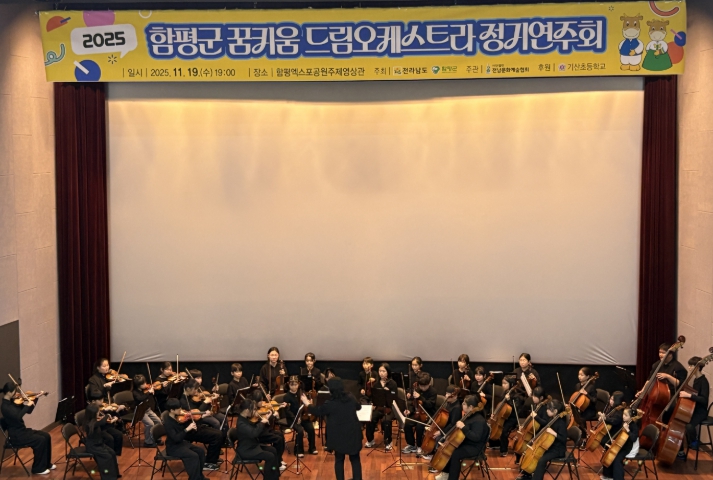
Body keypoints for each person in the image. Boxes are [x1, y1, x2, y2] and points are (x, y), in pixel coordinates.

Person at [302, 378, 363, 480]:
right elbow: (359, 407)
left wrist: (307, 403)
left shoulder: (330, 403)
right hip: (353, 434)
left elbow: (318, 411)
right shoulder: (350, 397)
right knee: (355, 459)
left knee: (339, 460)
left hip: (339, 436)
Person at [1, 381, 54, 475]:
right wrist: (27, 406)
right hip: (16, 436)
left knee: (46, 435)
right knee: (40, 440)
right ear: (9, 392)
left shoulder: (13, 401)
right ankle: (38, 468)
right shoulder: (5, 407)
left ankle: (46, 464)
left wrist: (35, 398)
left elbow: (28, 411)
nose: (16, 394)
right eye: (14, 392)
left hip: (22, 431)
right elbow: (18, 416)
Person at [433, 394, 488, 480]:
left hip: (475, 447)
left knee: (455, 454)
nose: (462, 404)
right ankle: (446, 474)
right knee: (450, 449)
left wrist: (463, 427)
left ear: (470, 407)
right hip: (467, 442)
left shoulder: (478, 420)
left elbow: (476, 437)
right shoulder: (469, 415)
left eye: (464, 404)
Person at [516, 399, 567, 480]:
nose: (547, 411)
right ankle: (527, 475)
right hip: (549, 445)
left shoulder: (561, 423)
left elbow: (563, 439)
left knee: (541, 460)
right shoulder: (552, 419)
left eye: (549, 409)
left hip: (557, 449)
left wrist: (554, 433)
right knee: (530, 452)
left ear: (555, 411)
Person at [636, 342, 687, 422]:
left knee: (668, 409)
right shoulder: (656, 365)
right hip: (656, 393)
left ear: (670, 354)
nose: (660, 355)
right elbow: (649, 380)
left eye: (663, 353)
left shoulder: (678, 367)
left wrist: (668, 376)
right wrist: (643, 391)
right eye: (660, 352)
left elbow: (680, 384)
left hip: (671, 396)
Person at [235, 399, 281, 480]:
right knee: (270, 456)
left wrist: (266, 418)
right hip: (246, 450)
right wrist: (262, 423)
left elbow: (255, 428)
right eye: (253, 409)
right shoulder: (241, 423)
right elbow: (254, 433)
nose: (255, 411)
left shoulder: (245, 418)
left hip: (252, 445)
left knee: (273, 450)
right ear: (247, 410)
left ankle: (275, 476)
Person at [163, 398, 208, 480]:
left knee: (201, 452)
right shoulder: (168, 423)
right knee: (193, 456)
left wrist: (192, 426)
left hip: (181, 444)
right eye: (178, 409)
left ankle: (199, 477)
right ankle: (194, 478)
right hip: (173, 447)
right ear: (172, 410)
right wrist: (187, 429)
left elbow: (182, 431)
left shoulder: (177, 418)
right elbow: (176, 438)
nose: (181, 410)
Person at [677, 356, 710, 457]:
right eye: (689, 365)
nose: (689, 367)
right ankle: (682, 448)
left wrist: (689, 395)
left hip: (701, 411)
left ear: (698, 367)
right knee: (682, 422)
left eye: (691, 365)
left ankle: (694, 442)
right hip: (694, 408)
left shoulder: (703, 381)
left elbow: (704, 400)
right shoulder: (696, 380)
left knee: (689, 426)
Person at [489, 375, 525, 457]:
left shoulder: (517, 395)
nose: (503, 385)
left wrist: (509, 400)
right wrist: (494, 414)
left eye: (505, 383)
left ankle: (504, 449)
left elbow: (515, 408)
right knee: (491, 426)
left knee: (504, 431)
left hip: (512, 418)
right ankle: (495, 444)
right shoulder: (505, 393)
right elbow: (500, 405)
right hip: (503, 416)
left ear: (511, 384)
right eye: (502, 383)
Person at [82, 404, 120, 480]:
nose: (98, 413)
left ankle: (115, 475)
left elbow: (102, 424)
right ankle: (108, 478)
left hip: (99, 444)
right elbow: (101, 423)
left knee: (112, 453)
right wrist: (107, 415)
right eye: (97, 412)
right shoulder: (90, 424)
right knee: (107, 457)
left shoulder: (93, 421)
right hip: (93, 446)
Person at [403, 372, 437, 455]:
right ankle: (411, 444)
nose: (422, 388)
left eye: (424, 386)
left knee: (419, 426)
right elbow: (413, 403)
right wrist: (409, 410)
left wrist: (420, 397)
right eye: (421, 386)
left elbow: (429, 405)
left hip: (428, 414)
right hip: (418, 412)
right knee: (407, 423)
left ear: (429, 383)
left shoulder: (433, 391)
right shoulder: (418, 389)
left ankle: (419, 445)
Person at [600, 408, 639, 480]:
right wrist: (615, 440)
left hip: (627, 447)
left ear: (631, 417)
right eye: (623, 414)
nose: (623, 416)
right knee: (609, 453)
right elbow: (620, 435)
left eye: (626, 415)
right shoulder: (624, 422)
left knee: (617, 459)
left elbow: (634, 439)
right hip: (620, 444)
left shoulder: (634, 426)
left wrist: (628, 430)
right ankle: (608, 475)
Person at [365, 363, 397, 451]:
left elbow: (395, 397)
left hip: (389, 408)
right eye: (380, 371)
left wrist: (389, 392)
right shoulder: (376, 383)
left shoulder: (392, 383)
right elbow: (373, 397)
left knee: (386, 420)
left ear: (388, 372)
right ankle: (370, 440)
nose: (381, 373)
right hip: (379, 408)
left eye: (383, 371)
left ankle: (388, 442)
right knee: (370, 419)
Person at [283, 376, 317, 456]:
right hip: (292, 419)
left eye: (296, 385)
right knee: (300, 430)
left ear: (298, 384)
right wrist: (295, 418)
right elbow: (287, 411)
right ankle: (298, 451)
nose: (294, 387)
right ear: (288, 385)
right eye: (292, 385)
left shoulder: (301, 393)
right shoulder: (286, 396)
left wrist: (308, 403)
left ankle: (312, 448)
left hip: (302, 417)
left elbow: (305, 405)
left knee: (311, 428)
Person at [87, 387, 125, 456]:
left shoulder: (100, 408)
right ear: (93, 401)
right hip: (97, 430)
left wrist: (112, 416)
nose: (102, 401)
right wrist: (106, 416)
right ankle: (109, 455)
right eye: (99, 400)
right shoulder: (91, 409)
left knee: (119, 434)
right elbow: (97, 422)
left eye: (102, 399)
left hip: (104, 427)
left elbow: (101, 418)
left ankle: (116, 454)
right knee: (109, 438)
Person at [131, 374, 163, 447]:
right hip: (141, 411)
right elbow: (141, 398)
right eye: (143, 383)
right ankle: (148, 442)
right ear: (138, 385)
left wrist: (152, 392)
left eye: (145, 382)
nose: (145, 384)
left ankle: (156, 438)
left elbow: (147, 396)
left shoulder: (145, 389)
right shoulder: (135, 392)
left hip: (147, 409)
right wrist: (149, 392)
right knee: (150, 424)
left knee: (158, 421)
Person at [572, 367, 598, 446]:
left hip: (589, 410)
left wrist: (587, 394)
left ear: (587, 377)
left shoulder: (591, 387)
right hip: (579, 408)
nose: (579, 376)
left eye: (582, 375)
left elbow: (594, 401)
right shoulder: (577, 386)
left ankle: (583, 439)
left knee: (581, 419)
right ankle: (573, 435)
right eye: (579, 375)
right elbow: (575, 398)